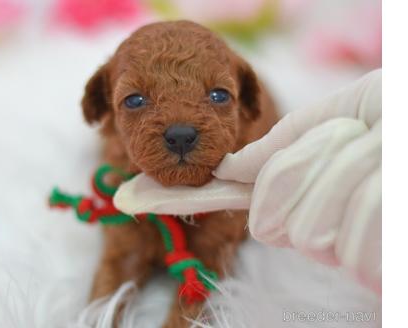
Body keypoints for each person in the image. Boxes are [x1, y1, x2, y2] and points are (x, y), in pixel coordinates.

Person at [114, 69, 381, 295]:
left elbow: (209, 270)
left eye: (218, 96)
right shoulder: (115, 182)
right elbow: (116, 261)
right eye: (135, 101)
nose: (180, 129)